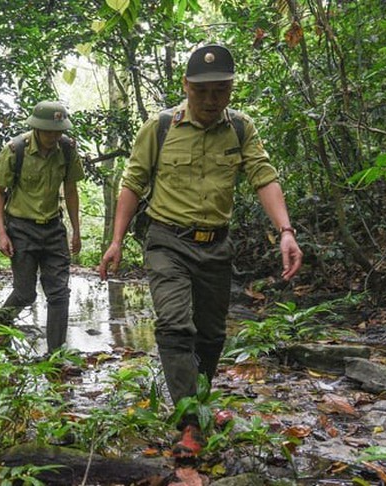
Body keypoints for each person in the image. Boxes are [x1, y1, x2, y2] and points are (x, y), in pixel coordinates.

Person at [98, 44, 303, 457]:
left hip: (216, 245)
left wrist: (285, 230)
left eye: (221, 91)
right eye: (202, 91)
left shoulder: (242, 128)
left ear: (230, 89)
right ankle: (189, 422)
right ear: (186, 86)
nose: (211, 100)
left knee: (210, 336)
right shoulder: (159, 127)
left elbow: (263, 177)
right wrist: (117, 240)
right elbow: (133, 183)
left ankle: (200, 401)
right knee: (175, 325)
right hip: (166, 241)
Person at [0, 101, 85, 354]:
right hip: (21, 228)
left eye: (59, 131)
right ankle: (1, 324)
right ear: (37, 129)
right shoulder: (16, 150)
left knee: (59, 294)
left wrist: (76, 230)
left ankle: (55, 355)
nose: (55, 137)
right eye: (50, 132)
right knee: (25, 293)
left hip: (53, 228)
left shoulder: (66, 149)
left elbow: (72, 189)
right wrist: (2, 233)